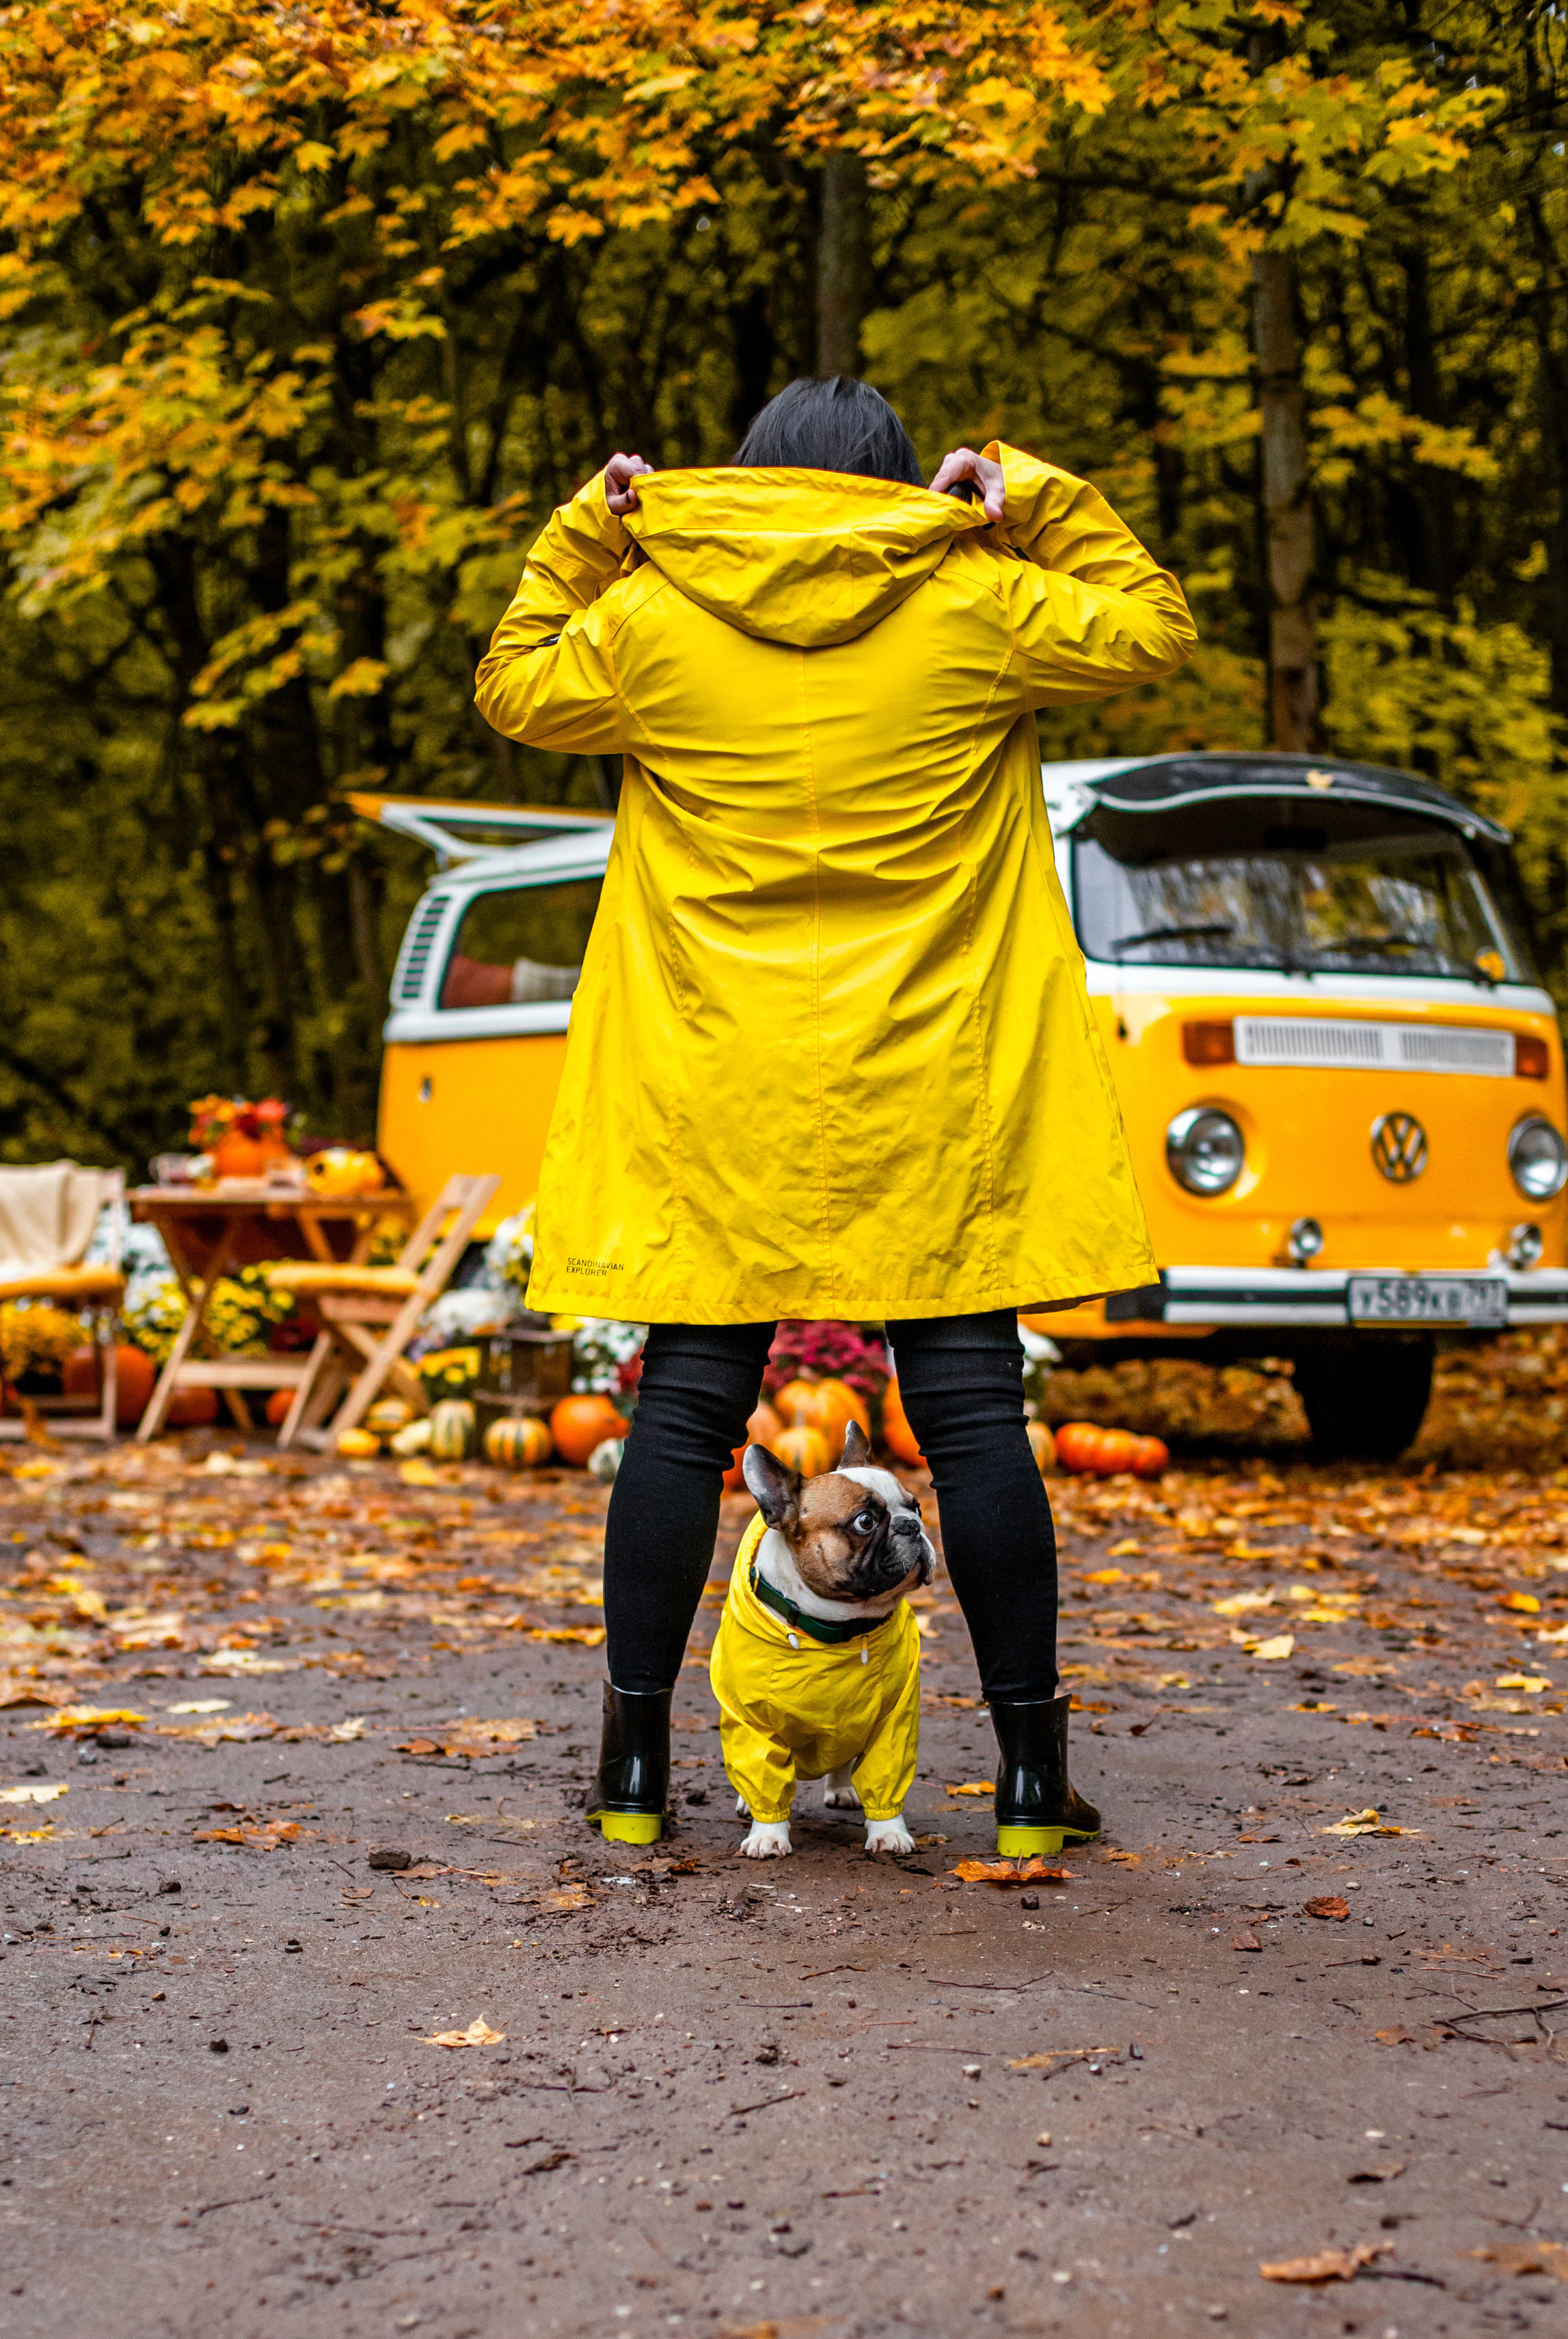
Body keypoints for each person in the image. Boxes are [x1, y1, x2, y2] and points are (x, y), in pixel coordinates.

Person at [475, 375, 1195, 1854]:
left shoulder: (653, 620)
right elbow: (1152, 628)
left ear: (741, 480)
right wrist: (1024, 489)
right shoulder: (981, 603)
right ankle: (1022, 1786)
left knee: (679, 1415)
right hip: (930, 1089)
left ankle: (629, 1775)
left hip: (717, 1086)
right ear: (899, 487)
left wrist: (592, 535)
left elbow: (512, 682)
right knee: (975, 1419)